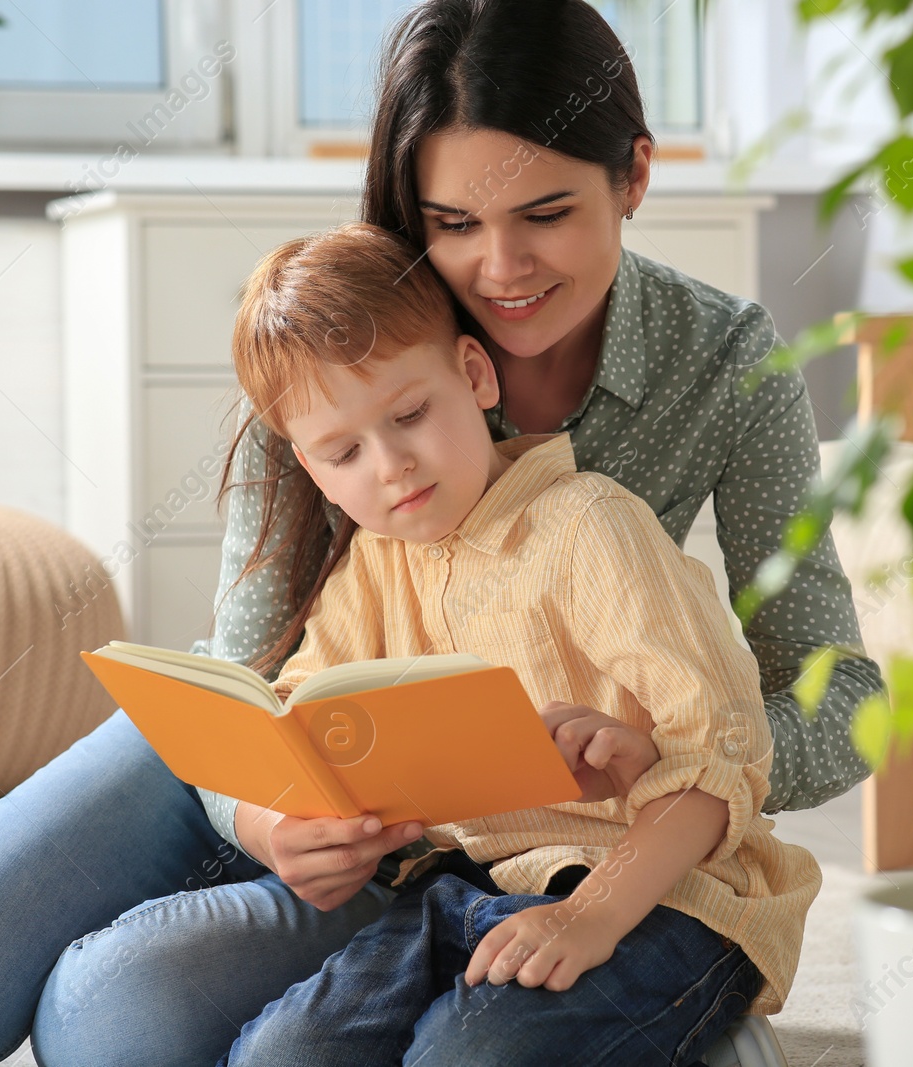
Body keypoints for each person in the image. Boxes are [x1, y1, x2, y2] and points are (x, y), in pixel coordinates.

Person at [0, 2, 880, 1064]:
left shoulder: (725, 363)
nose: (501, 268)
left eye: (546, 215)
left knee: (110, 1020)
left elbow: (841, 694)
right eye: (453, 224)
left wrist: (668, 760)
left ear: (634, 176)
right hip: (280, 764)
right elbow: (247, 683)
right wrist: (264, 813)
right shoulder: (343, 341)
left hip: (485, 846)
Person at [212, 219, 819, 1066]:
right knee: (281, 1053)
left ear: (473, 373)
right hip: (472, 886)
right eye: (343, 451)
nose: (390, 466)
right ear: (311, 469)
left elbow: (719, 761)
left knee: (468, 1057)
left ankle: (713, 1032)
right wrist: (299, 814)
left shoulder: (588, 526)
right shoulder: (377, 565)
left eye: (412, 413)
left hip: (671, 896)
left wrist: (592, 914)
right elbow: (303, 713)